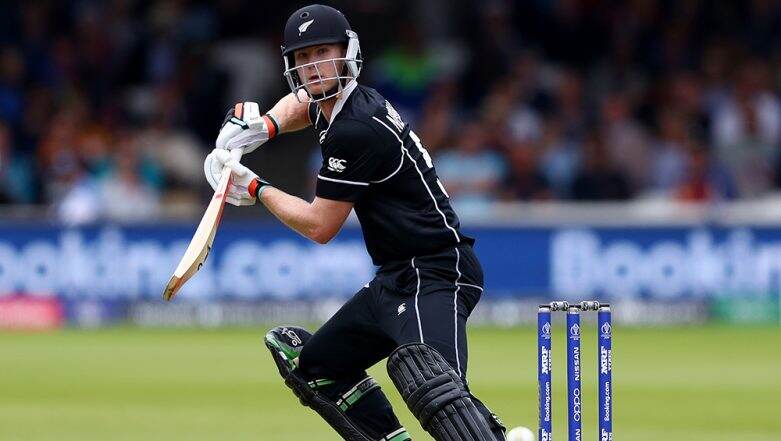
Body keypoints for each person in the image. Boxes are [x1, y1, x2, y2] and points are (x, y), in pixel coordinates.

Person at [203, 5, 506, 440]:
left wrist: (253, 187)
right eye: (303, 58)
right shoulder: (334, 104)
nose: (313, 67)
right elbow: (301, 104)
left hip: (436, 272)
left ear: (348, 52)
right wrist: (262, 126)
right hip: (395, 277)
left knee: (438, 392)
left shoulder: (357, 127)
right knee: (313, 367)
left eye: (323, 52)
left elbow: (319, 226)